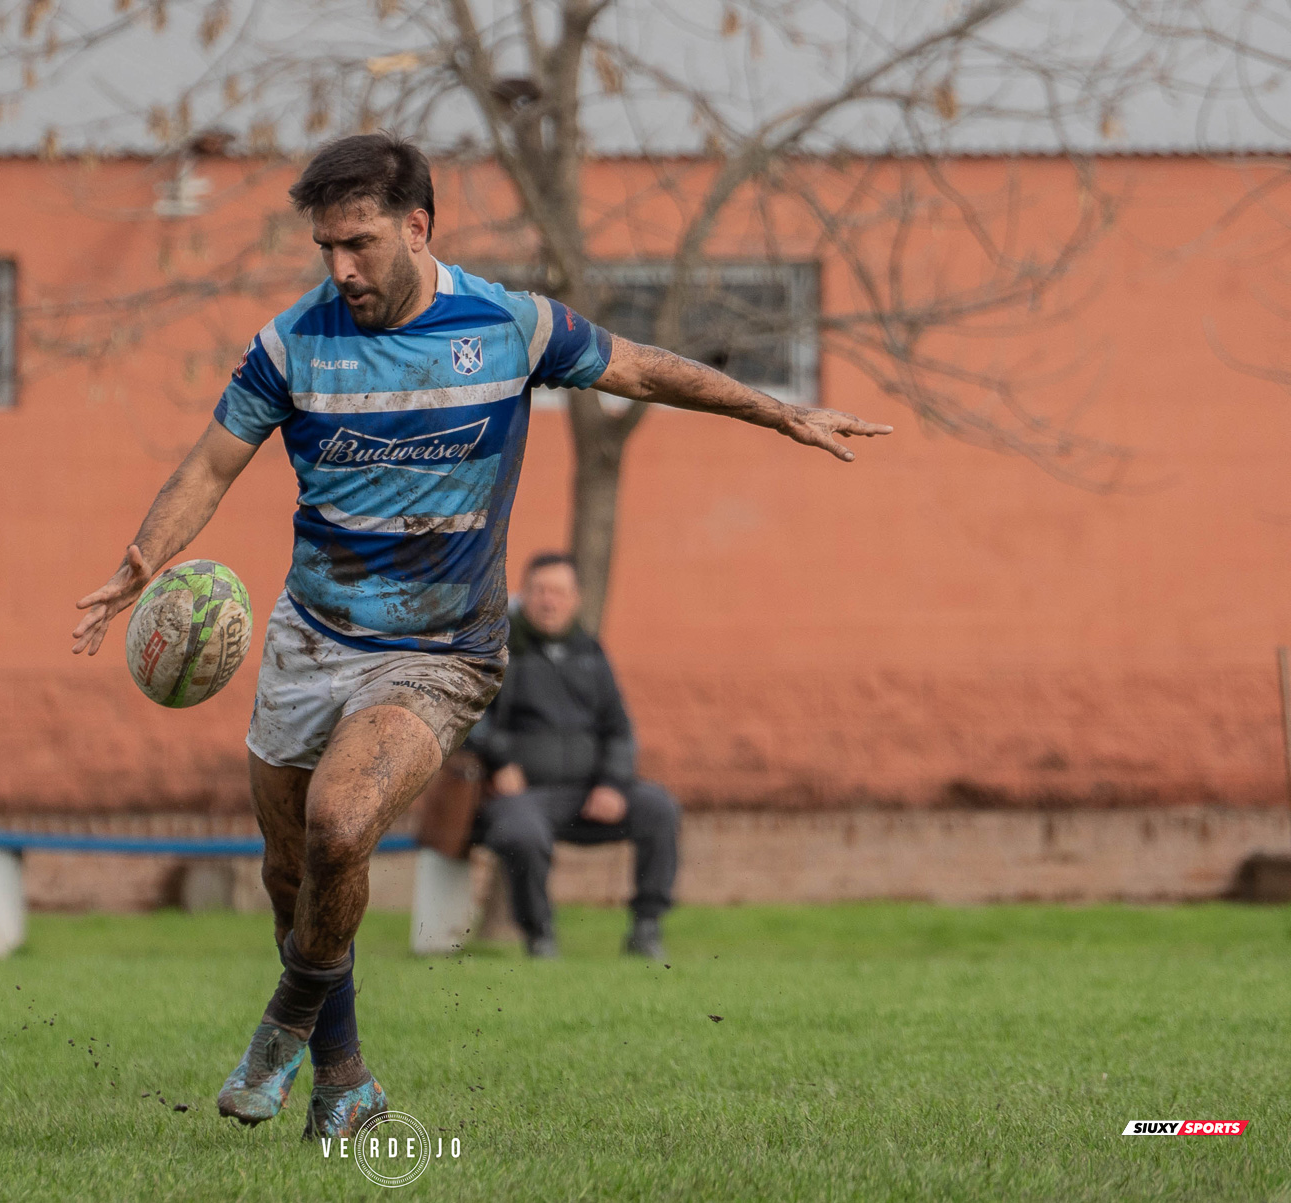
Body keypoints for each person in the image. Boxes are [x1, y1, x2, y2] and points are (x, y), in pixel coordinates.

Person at [68, 132, 891, 1140]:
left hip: (439, 654)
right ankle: (347, 1086)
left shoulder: (506, 325)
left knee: (339, 823)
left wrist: (776, 411)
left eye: (360, 243)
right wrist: (139, 561)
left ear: (418, 226)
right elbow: (207, 468)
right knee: (294, 878)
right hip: (309, 636)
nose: (341, 268)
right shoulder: (294, 343)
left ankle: (284, 1020)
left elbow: (641, 366)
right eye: (326, 246)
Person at [470, 552, 679, 960]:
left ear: (575, 599)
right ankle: (540, 937)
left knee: (660, 809)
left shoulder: (591, 652)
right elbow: (472, 717)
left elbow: (619, 729)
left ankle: (646, 929)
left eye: (559, 593)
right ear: (524, 595)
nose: (550, 601)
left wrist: (613, 784)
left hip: (590, 795)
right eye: (541, 591)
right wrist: (501, 761)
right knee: (521, 833)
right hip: (526, 796)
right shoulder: (498, 651)